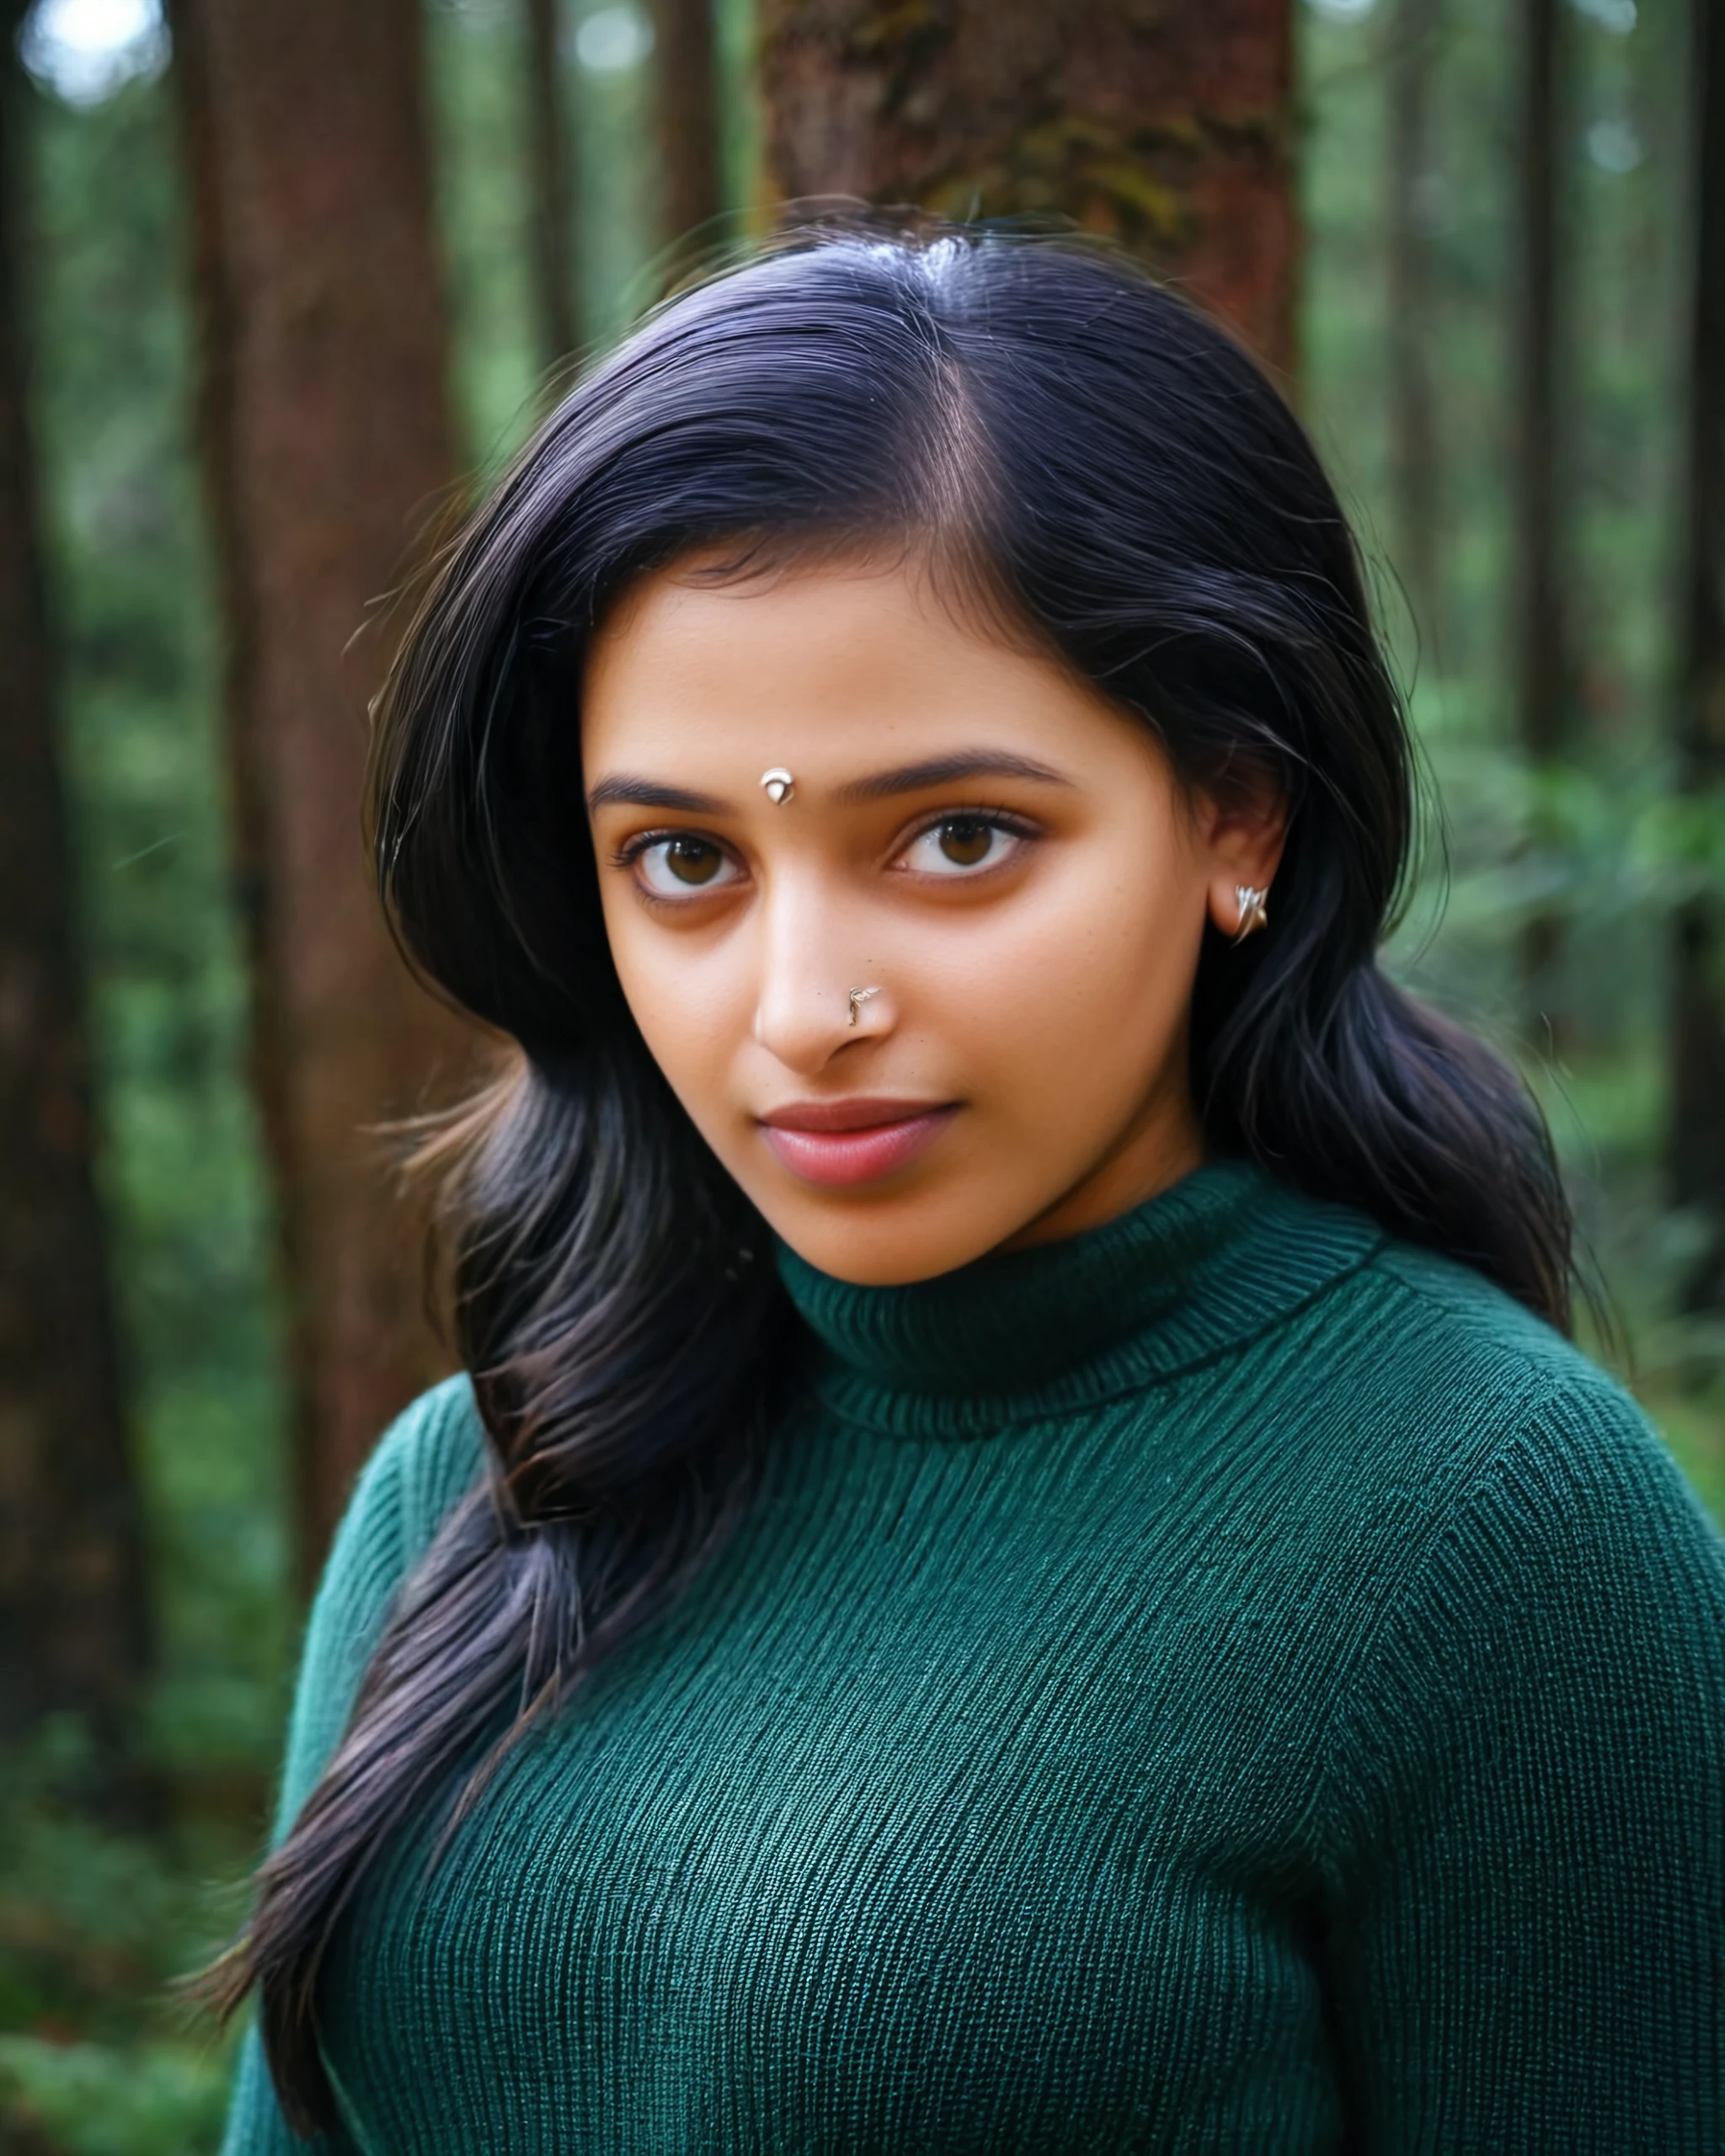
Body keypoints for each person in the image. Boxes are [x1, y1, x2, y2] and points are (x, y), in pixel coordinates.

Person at [212, 229, 1725, 2154]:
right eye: (681, 859)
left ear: (1232, 814)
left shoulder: (1501, 1532)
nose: (803, 1008)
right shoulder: (484, 1481)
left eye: (955, 837)